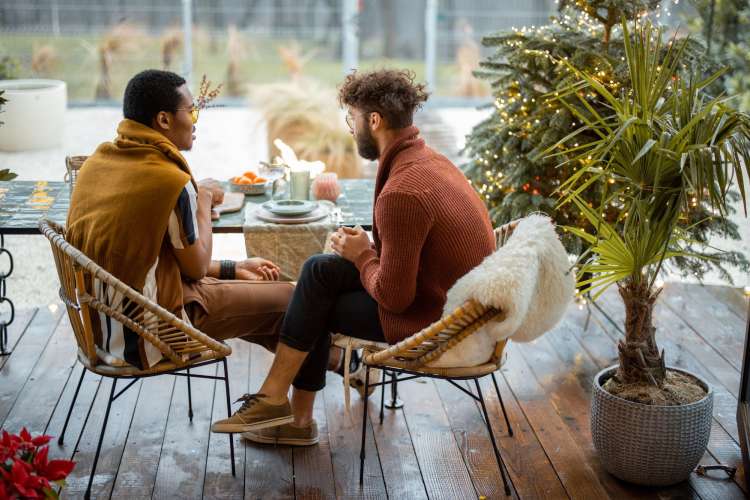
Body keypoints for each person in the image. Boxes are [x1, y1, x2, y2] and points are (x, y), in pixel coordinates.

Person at [211, 69, 496, 447]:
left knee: (315, 304)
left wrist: (364, 257)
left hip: (439, 321)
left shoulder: (403, 192)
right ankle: (277, 403)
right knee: (318, 271)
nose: (351, 128)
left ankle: (291, 418)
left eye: (353, 118)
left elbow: (396, 298)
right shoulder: (429, 161)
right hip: (455, 301)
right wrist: (366, 252)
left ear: (373, 120)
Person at [66, 69, 294, 369]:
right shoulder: (170, 181)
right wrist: (203, 201)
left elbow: (149, 260)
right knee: (294, 298)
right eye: (192, 111)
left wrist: (234, 268)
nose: (196, 120)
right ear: (163, 120)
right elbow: (196, 268)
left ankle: (339, 362)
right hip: (153, 330)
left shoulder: (98, 164)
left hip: (100, 326)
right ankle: (327, 373)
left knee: (276, 316)